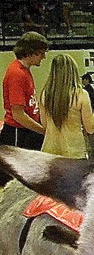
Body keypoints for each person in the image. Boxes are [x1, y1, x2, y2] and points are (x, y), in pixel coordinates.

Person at [0, 32, 47, 184]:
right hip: (17, 133)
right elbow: (18, 114)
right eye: (41, 53)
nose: (43, 57)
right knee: (12, 180)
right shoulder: (17, 74)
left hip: (25, 132)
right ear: (31, 52)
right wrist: (42, 130)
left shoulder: (24, 71)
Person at [40, 52, 94, 157]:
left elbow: (44, 125)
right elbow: (91, 128)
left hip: (49, 152)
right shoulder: (81, 94)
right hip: (74, 152)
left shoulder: (45, 94)